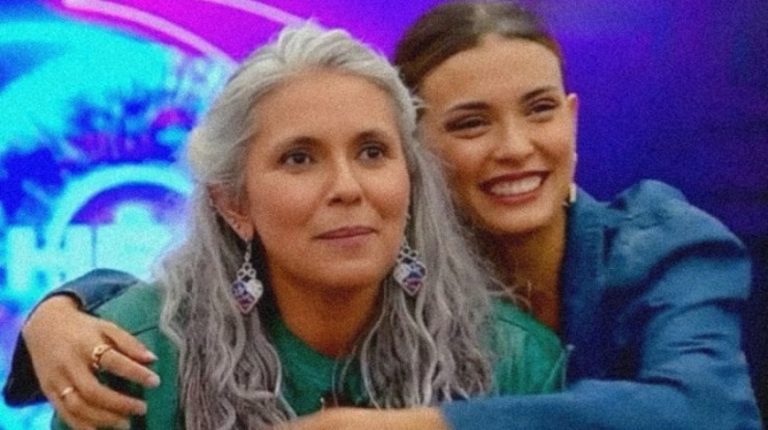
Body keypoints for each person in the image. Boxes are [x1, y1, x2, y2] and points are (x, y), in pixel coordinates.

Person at [4, 1, 762, 429]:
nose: (514, 148)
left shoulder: (655, 253)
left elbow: (710, 410)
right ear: (425, 153)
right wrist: (60, 313)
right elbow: (189, 296)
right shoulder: (137, 354)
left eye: (370, 151)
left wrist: (420, 426)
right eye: (470, 123)